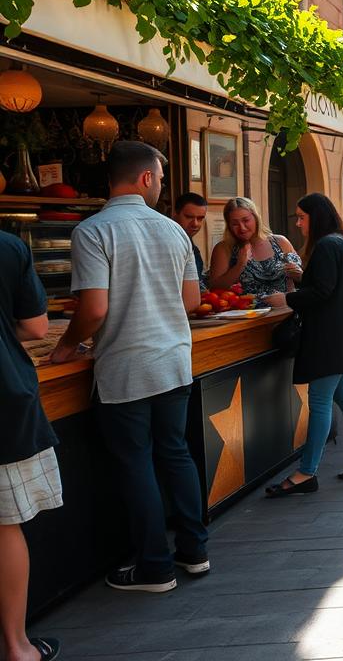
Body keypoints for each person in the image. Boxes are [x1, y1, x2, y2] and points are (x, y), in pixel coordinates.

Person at [51, 141, 209, 592]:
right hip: (173, 361)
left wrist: (67, 345)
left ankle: (155, 567)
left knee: (137, 462)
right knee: (175, 454)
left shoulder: (93, 231)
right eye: (159, 178)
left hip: (126, 368)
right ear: (144, 178)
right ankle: (195, 552)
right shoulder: (173, 231)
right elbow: (191, 301)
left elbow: (94, 309)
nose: (161, 185)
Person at [262, 193, 343, 496]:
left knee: (319, 402)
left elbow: (324, 292)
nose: (299, 223)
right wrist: (303, 279)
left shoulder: (327, 244)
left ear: (316, 216)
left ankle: (306, 472)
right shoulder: (340, 241)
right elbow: (330, 288)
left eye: (302, 217)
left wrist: (285, 298)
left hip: (330, 340)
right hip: (341, 337)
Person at [0, 230, 61, 661]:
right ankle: (17, 646)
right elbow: (37, 325)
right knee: (4, 525)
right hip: (3, 396)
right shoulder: (7, 246)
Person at [208, 196, 301, 296]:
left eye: (246, 220)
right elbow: (215, 287)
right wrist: (240, 265)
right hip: (247, 310)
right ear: (229, 225)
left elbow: (300, 279)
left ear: (256, 218)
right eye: (235, 224)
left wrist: (296, 274)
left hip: (284, 308)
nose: (242, 228)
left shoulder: (280, 242)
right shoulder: (224, 249)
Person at [173, 192, 209, 291]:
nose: (195, 224)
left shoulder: (192, 247)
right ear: (175, 214)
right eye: (189, 217)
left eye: (200, 218)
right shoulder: (170, 244)